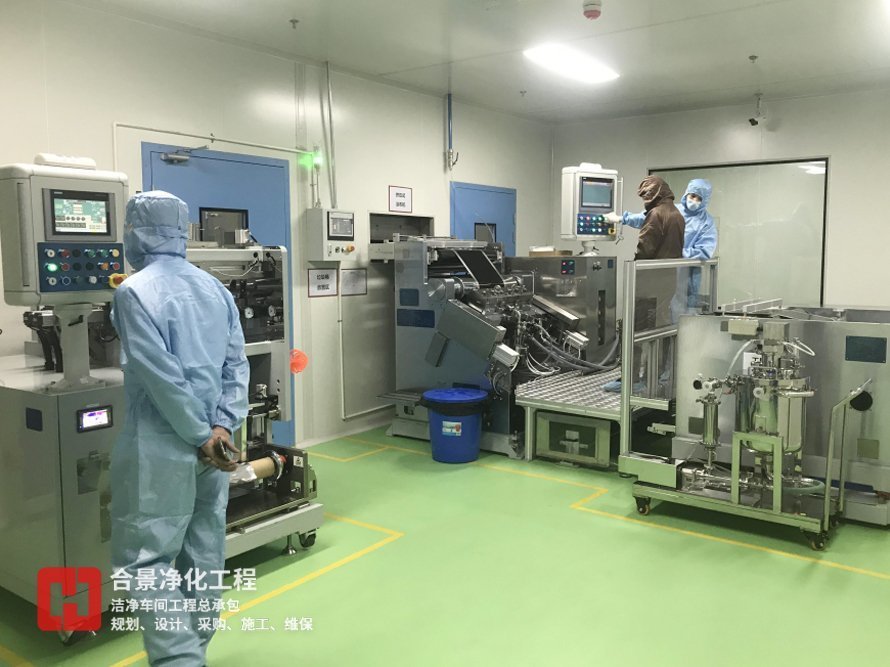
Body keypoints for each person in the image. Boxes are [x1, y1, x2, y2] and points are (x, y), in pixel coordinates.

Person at [110, 191, 249, 666]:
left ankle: (180, 661)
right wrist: (222, 427)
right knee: (203, 550)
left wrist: (197, 434)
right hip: (217, 447)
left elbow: (161, 376)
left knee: (146, 562)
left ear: (135, 231)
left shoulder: (134, 291)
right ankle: (197, 648)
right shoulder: (215, 289)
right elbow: (236, 365)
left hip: (162, 446)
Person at [602, 176, 685, 392]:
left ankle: (631, 380)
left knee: (635, 331)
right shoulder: (676, 214)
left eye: (647, 195)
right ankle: (652, 377)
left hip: (648, 285)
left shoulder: (656, 214)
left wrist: (634, 267)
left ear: (656, 193)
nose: (645, 200)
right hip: (667, 282)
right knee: (659, 330)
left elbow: (645, 249)